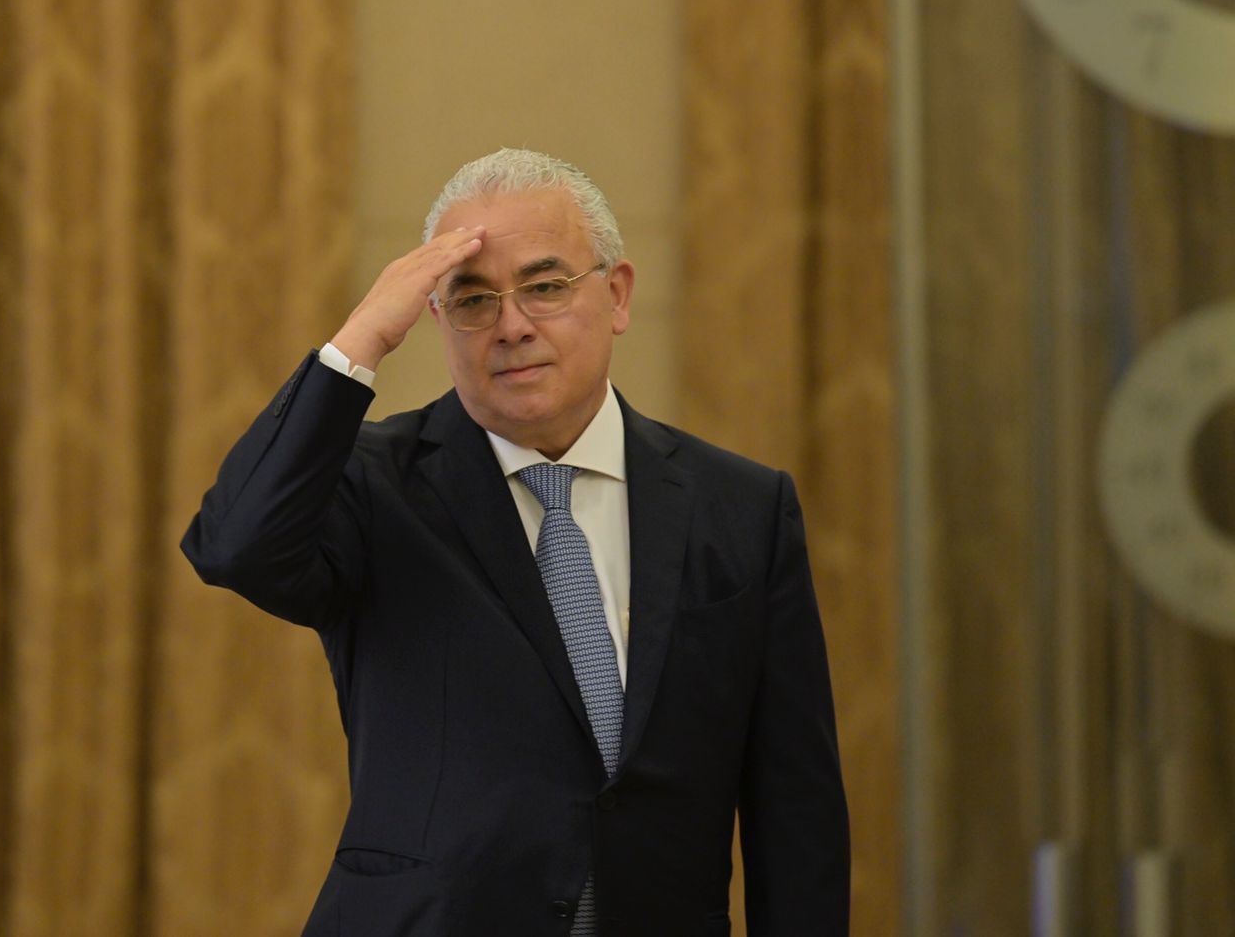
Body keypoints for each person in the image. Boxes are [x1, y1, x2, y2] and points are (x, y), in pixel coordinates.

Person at [181, 148, 849, 935]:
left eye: (545, 287)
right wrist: (361, 340)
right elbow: (235, 547)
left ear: (618, 294)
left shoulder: (741, 507)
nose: (512, 326)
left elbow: (796, 808)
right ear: (437, 321)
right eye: (472, 300)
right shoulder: (374, 487)